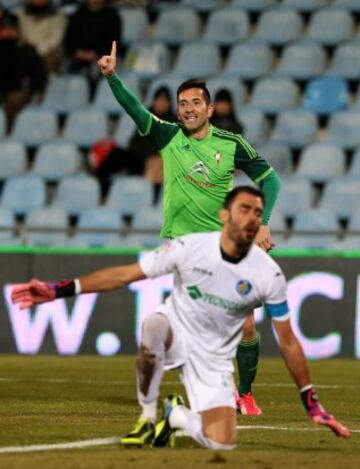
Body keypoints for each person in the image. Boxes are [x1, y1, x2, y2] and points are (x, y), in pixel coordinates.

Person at [11, 186, 351, 449]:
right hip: (177, 330)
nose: (252, 218)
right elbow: (125, 274)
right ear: (224, 215)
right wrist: (60, 290)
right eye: (244, 209)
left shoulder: (269, 275)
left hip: (214, 359)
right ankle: (146, 416)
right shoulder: (190, 247)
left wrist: (312, 402)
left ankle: (175, 416)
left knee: (222, 442)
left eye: (258, 213)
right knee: (153, 326)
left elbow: (288, 339)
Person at [98, 42, 281, 416]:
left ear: (209, 109)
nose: (188, 109)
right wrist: (113, 78)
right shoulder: (168, 136)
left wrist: (263, 222)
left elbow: (271, 179)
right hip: (184, 248)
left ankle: (243, 394)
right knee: (193, 328)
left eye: (196, 103)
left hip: (227, 245)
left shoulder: (230, 144)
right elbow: (135, 110)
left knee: (246, 326)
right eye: (183, 104)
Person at [0, 8, 47, 133]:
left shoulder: (28, 50)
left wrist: (33, 87)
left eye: (11, 30)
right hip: (3, 89)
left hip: (20, 90)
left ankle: (8, 134)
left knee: (13, 101)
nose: (8, 33)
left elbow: (39, 74)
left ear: (18, 31)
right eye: (5, 30)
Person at [64, 0, 121, 94]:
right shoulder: (78, 14)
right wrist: (77, 53)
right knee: (64, 70)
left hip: (102, 56)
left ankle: (93, 96)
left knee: (97, 69)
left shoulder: (112, 15)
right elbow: (68, 40)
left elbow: (114, 42)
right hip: (78, 56)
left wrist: (96, 54)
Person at [17, 0, 67, 73]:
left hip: (48, 52)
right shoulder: (22, 15)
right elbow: (22, 35)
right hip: (27, 51)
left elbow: (56, 38)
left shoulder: (58, 15)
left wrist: (37, 51)